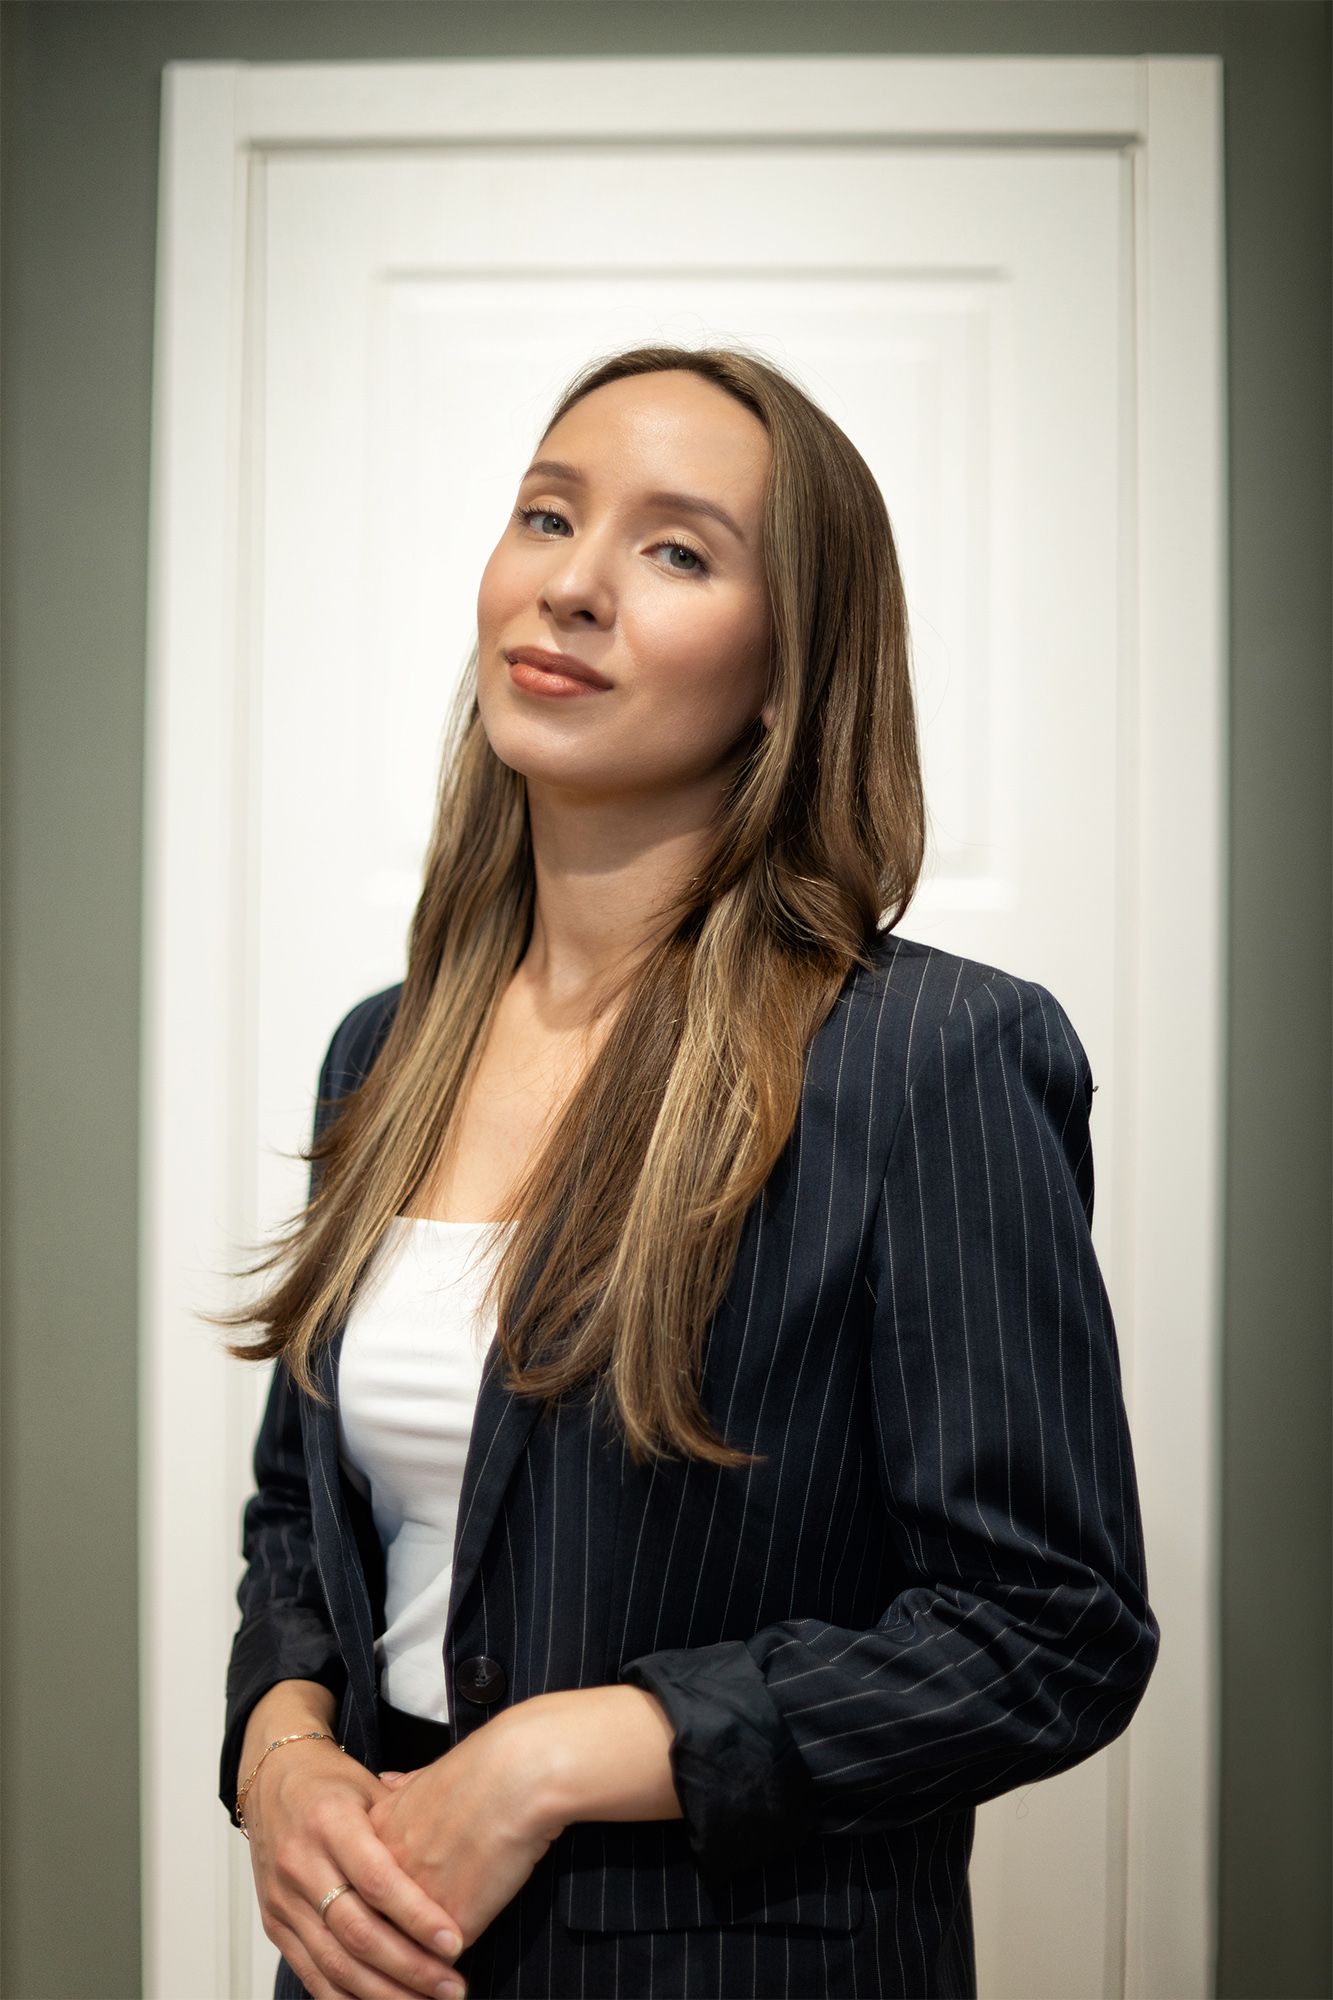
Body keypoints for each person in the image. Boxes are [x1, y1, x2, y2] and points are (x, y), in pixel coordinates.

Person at [212, 343, 1160, 2000]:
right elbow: (303, 1515)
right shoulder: (385, 1047)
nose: (574, 583)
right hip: (376, 1954)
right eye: (546, 515)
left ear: (786, 672)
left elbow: (1048, 1628)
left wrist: (557, 1756)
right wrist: (279, 1751)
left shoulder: (928, 1058)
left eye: (675, 550)